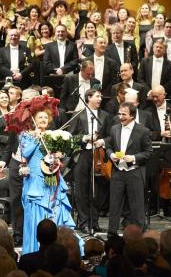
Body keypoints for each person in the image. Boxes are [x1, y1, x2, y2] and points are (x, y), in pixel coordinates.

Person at [12, 95, 79, 254]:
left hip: (52, 178)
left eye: (45, 117)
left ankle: (58, 248)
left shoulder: (52, 135)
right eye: (39, 117)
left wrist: (58, 156)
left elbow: (55, 155)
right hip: (35, 181)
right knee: (38, 213)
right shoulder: (25, 135)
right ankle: (35, 249)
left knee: (56, 210)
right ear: (33, 119)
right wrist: (36, 138)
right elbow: (25, 154)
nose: (42, 119)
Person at [98, 102, 152, 234]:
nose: (120, 117)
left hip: (134, 172)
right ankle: (112, 234)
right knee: (114, 206)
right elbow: (109, 146)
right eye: (119, 113)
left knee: (137, 207)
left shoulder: (143, 131)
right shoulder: (114, 128)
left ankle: (138, 236)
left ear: (132, 115)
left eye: (124, 114)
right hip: (117, 172)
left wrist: (133, 157)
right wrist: (111, 155)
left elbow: (148, 152)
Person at [68, 89, 111, 233]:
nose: (100, 99)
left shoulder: (105, 116)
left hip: (99, 155)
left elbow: (111, 136)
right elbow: (70, 137)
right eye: (98, 96)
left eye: (101, 96)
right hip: (82, 155)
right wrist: (84, 138)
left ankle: (95, 220)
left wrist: (102, 141)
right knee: (81, 190)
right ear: (88, 98)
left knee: (97, 190)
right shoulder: (78, 115)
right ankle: (84, 222)